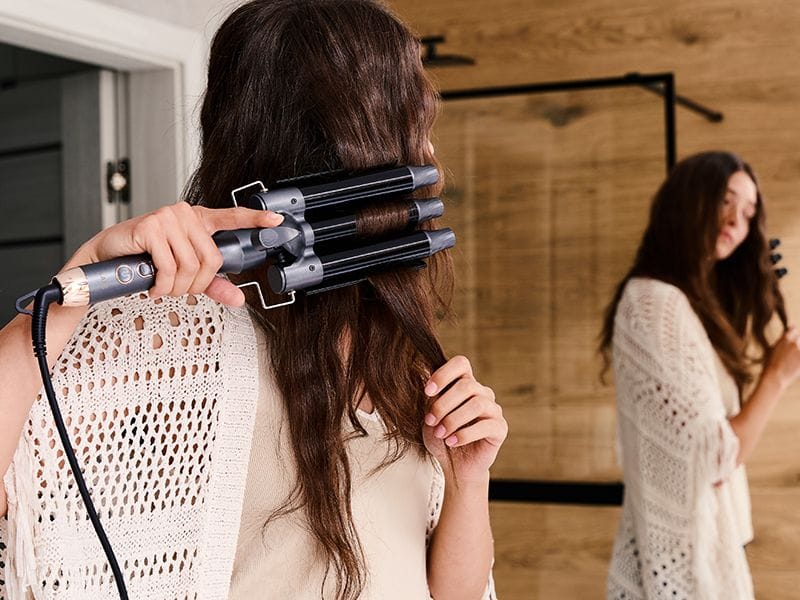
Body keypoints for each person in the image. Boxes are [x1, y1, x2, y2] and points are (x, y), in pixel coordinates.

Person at [0, 1, 507, 598]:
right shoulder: (170, 337)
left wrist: (469, 479)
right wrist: (80, 275)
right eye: (416, 124)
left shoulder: (397, 354)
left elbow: (451, 593)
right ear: (366, 141)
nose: (430, 152)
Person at [601, 151, 800, 599]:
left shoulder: (689, 307)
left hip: (700, 552)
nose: (735, 220)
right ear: (689, 200)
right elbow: (713, 456)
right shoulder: (655, 304)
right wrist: (776, 376)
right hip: (684, 565)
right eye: (726, 200)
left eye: (748, 213)